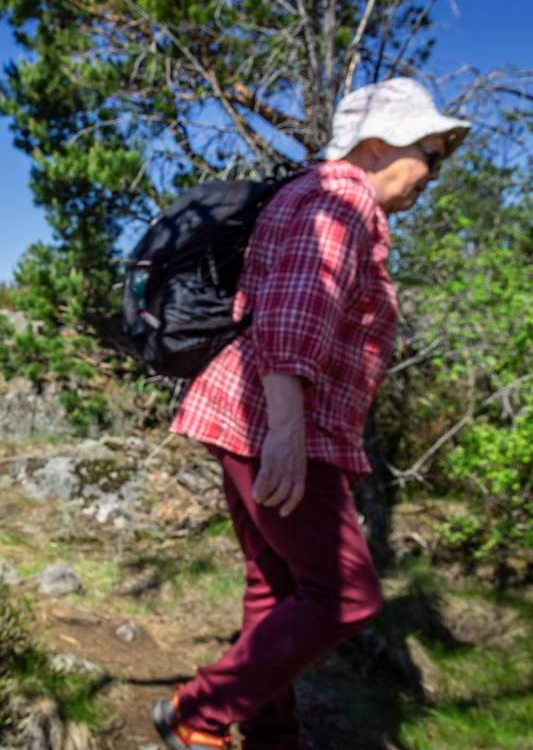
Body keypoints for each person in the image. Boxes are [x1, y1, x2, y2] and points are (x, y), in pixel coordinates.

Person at [151, 78, 470, 750]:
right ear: (378, 145)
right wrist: (288, 438)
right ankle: (198, 711)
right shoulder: (340, 196)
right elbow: (300, 309)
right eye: (431, 155)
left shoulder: (328, 196)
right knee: (346, 595)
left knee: (274, 584)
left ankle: (271, 736)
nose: (433, 174)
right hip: (274, 421)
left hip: (247, 415)